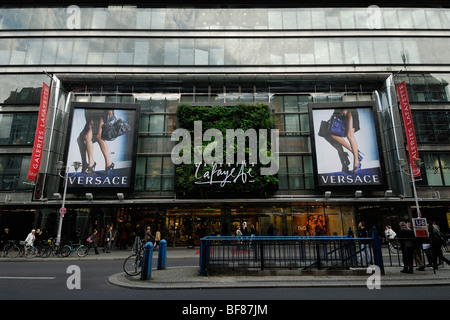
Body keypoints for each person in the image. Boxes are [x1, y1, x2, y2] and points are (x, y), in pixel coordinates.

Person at [78, 109, 115, 175]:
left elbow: (106, 113)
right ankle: (91, 163)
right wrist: (90, 123)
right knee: (87, 137)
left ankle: (108, 163)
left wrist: (100, 130)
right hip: (93, 115)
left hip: (103, 115)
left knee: (99, 137)